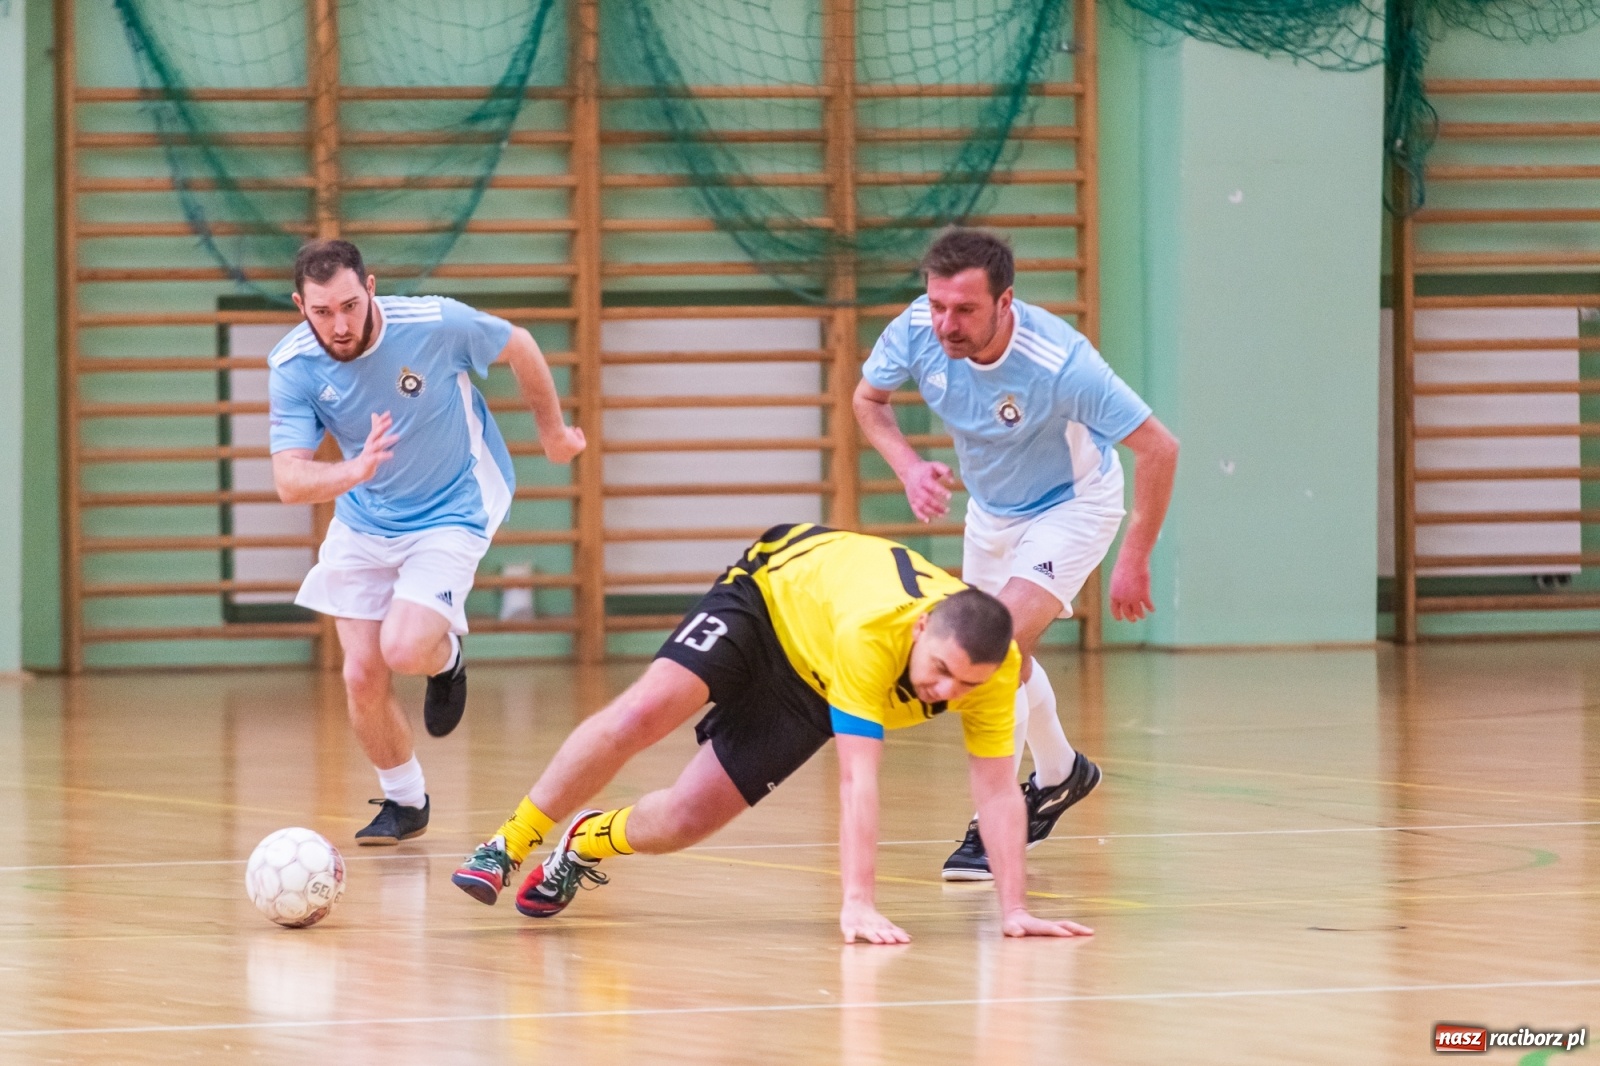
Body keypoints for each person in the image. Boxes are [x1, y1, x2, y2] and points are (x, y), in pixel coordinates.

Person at [451, 524, 1095, 944]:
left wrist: (1015, 910)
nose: (949, 693)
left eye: (967, 684)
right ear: (922, 631)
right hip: (767, 601)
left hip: (813, 682)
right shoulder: (873, 637)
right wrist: (857, 903)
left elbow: (997, 792)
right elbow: (857, 781)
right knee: (639, 716)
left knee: (684, 820)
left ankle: (585, 839)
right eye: (942, 673)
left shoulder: (991, 669)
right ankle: (508, 843)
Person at [853, 227, 1178, 880]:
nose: (945, 322)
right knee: (1009, 655)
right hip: (991, 513)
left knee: (989, 648)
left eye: (965, 309)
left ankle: (1001, 812)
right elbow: (869, 402)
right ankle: (1060, 774)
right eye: (938, 304)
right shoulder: (918, 327)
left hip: (1071, 506)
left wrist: (1134, 555)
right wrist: (910, 467)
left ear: (1006, 302)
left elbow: (1159, 447)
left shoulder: (1060, 363)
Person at [268, 238, 585, 845]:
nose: (340, 324)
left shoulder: (435, 323)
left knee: (405, 649)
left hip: (452, 505)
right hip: (365, 518)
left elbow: (517, 343)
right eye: (322, 312)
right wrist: (353, 473)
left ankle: (447, 659)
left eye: (350, 305)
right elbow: (289, 479)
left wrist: (550, 433)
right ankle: (405, 802)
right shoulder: (293, 366)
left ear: (372, 287)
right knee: (361, 671)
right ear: (300, 307)